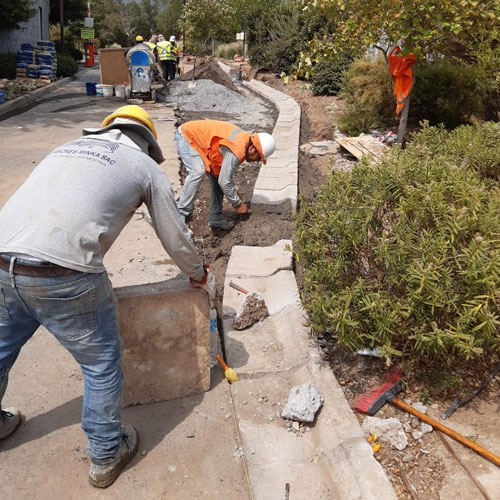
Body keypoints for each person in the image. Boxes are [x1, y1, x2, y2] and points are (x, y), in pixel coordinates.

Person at [0, 105, 215, 488]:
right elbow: (174, 234)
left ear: (106, 129)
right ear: (147, 143)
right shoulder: (144, 167)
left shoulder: (65, 148)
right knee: (100, 363)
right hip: (64, 272)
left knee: (1, 348)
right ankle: (105, 455)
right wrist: (198, 273)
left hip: (3, 260)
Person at [175, 120, 276, 230]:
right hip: (187, 137)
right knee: (197, 172)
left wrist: (232, 192)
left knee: (217, 177)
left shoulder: (243, 141)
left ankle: (216, 218)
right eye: (258, 158)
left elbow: (222, 178)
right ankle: (179, 215)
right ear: (252, 149)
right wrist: (238, 204)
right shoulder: (238, 149)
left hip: (199, 140)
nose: (256, 161)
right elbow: (225, 181)